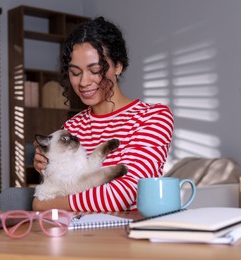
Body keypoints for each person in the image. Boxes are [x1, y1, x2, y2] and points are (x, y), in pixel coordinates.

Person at [32, 17, 174, 212]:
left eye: (95, 70)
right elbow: (56, 191)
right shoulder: (72, 128)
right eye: (75, 72)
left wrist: (45, 204)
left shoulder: (153, 117)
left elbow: (125, 193)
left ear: (118, 66)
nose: (84, 82)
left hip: (126, 234)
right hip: (76, 235)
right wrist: (45, 169)